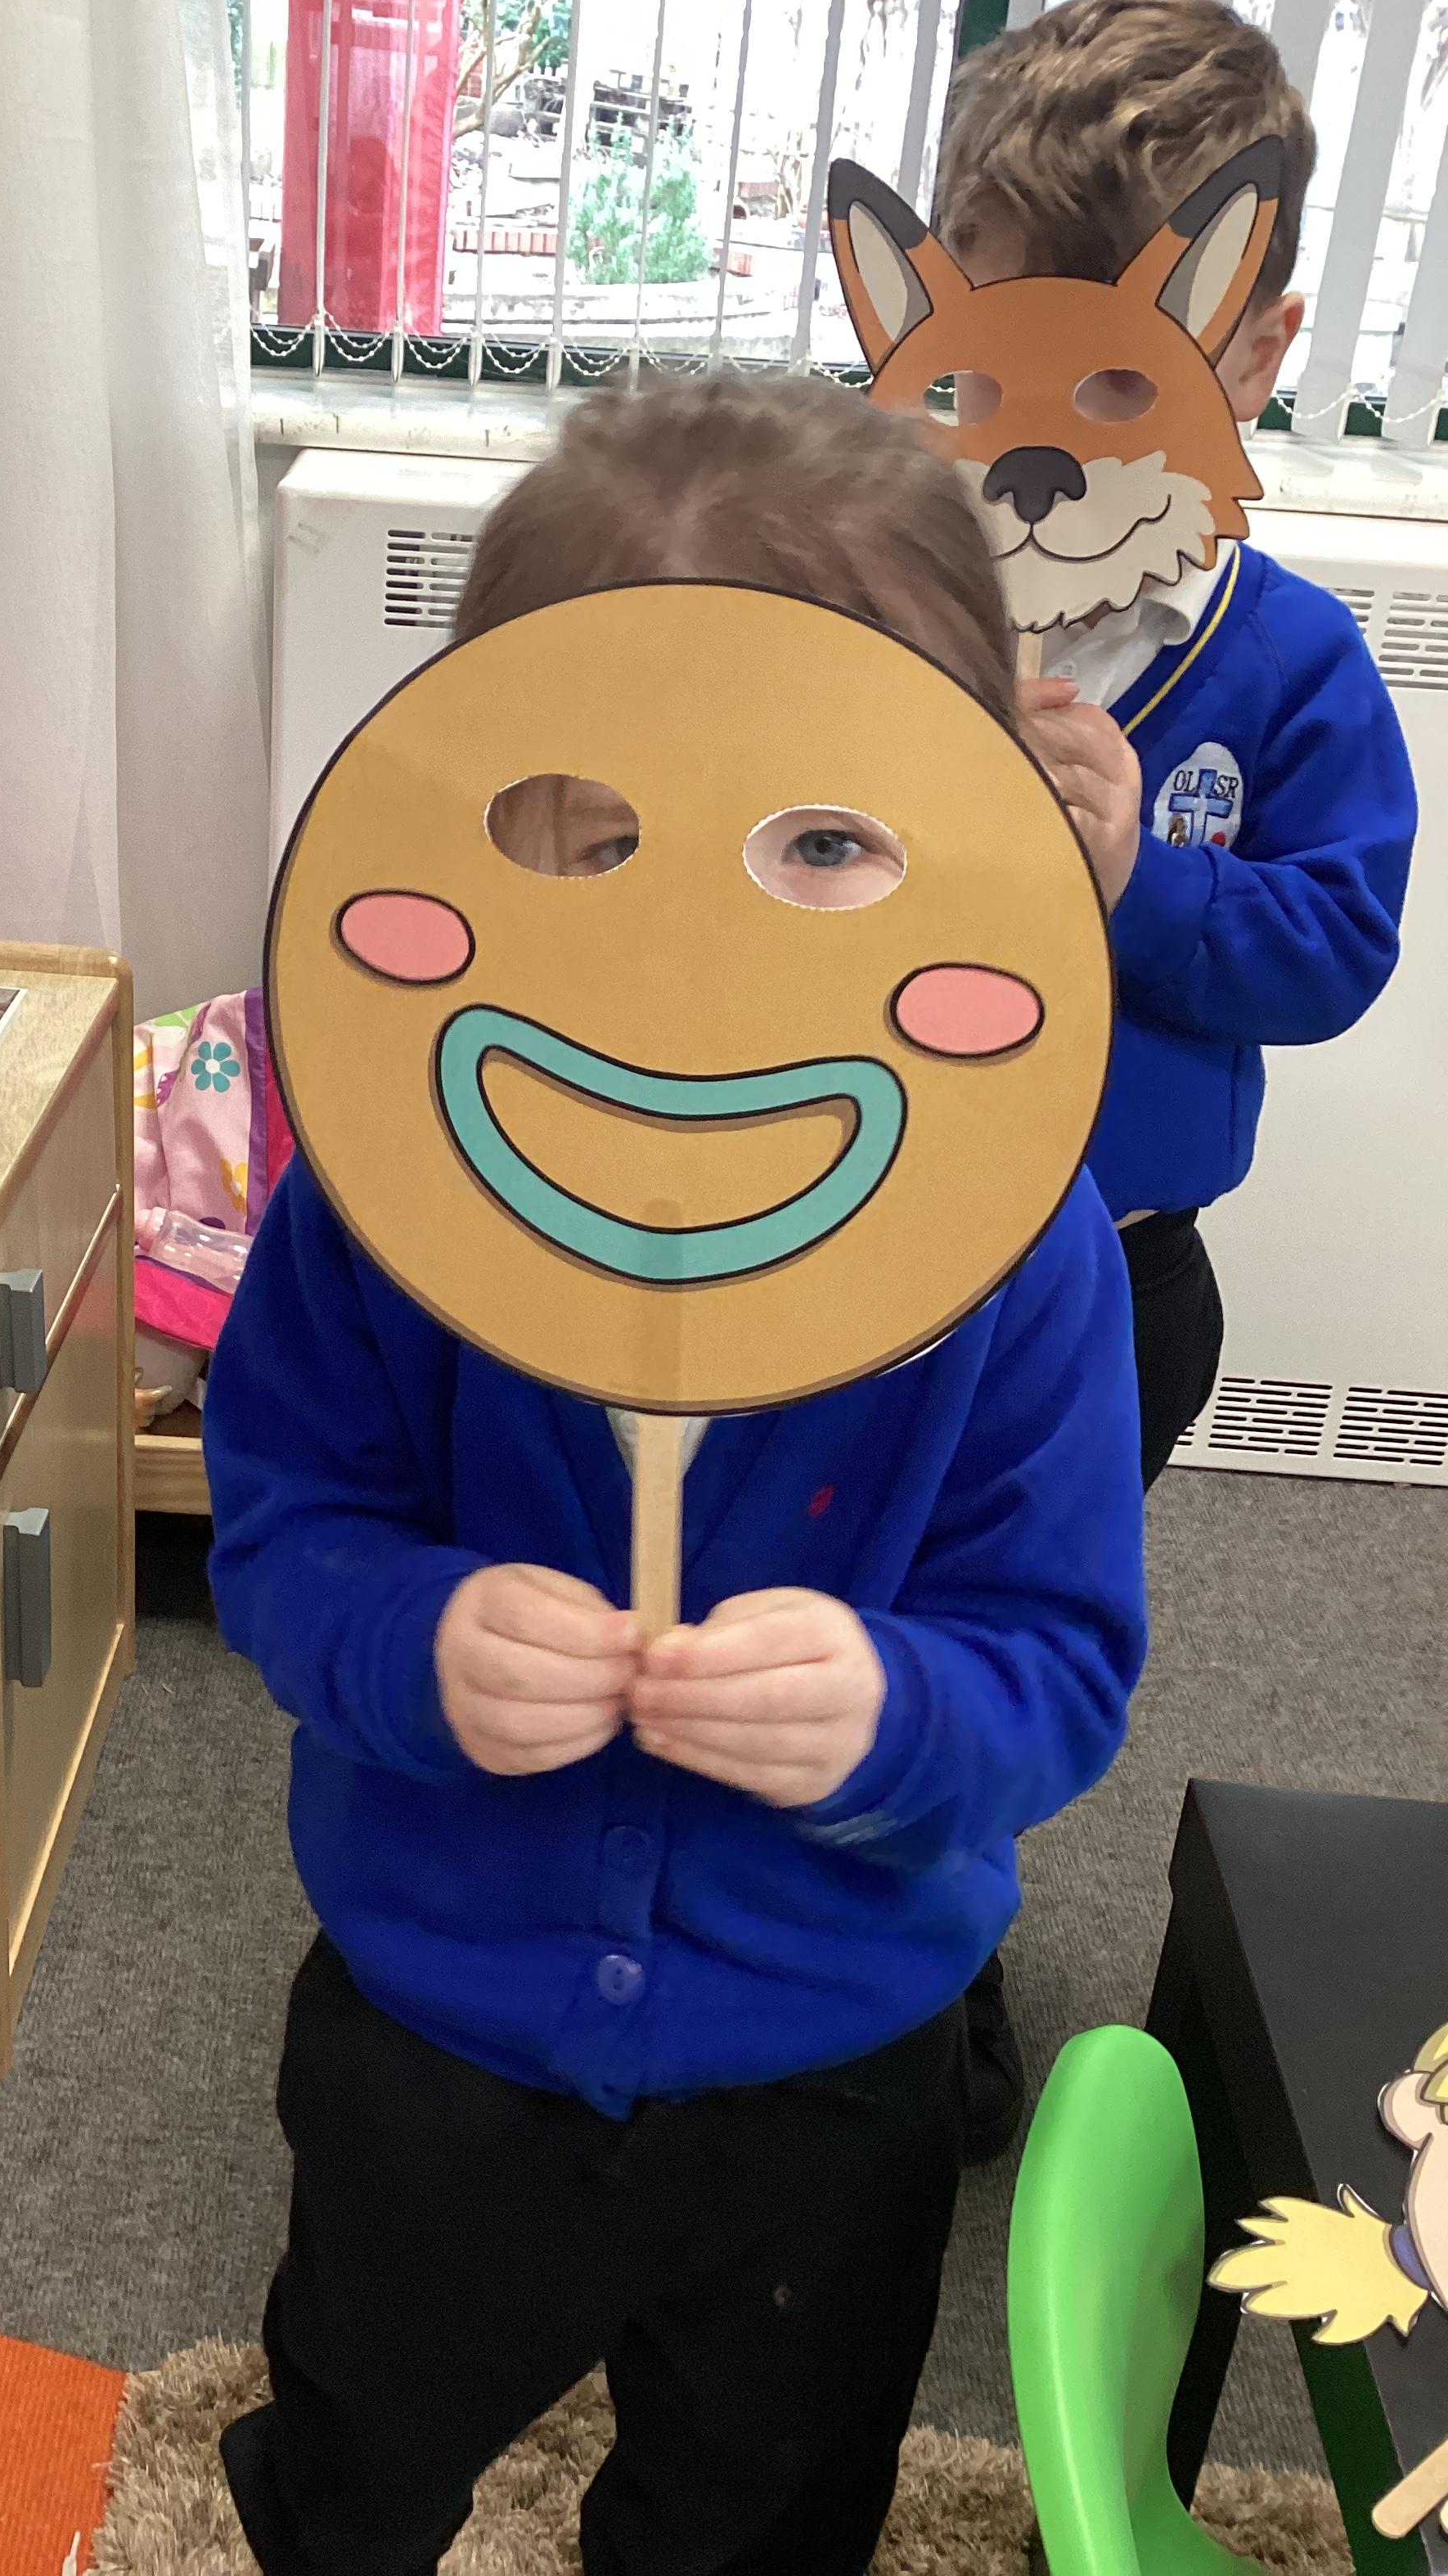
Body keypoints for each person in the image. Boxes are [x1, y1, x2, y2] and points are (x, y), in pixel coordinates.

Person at [203, 376, 1149, 2576]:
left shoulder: (1026, 1252)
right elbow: (283, 1538)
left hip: (829, 2059)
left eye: (825, 844)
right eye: (599, 833)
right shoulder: (390, 1199)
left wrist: (892, 1713)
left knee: (762, 2505)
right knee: (357, 2439)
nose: (707, 954)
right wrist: (417, 1639)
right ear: (487, 823)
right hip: (436, 2028)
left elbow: (1058, 1668)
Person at [931, 0, 1419, 2151]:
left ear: (1259, 345)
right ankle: (794, 1902)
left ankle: (941, 1938)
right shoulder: (892, 593)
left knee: (1005, 1626)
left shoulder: (1294, 663)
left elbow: (1333, 951)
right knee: (823, 1574)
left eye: (1124, 367)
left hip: (1116, 1276)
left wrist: (1140, 877)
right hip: (871, 1218)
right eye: (995, 353)